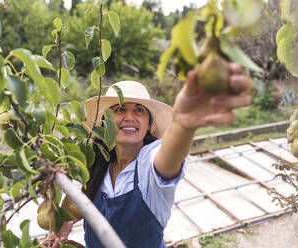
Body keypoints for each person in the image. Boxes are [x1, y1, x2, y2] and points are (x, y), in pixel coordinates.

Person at [81, 64, 252, 248]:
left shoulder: (148, 161)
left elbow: (167, 160)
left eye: (139, 110)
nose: (130, 116)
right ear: (106, 120)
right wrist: (64, 224)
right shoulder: (99, 164)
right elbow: (77, 206)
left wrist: (183, 125)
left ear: (148, 124)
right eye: (120, 109)